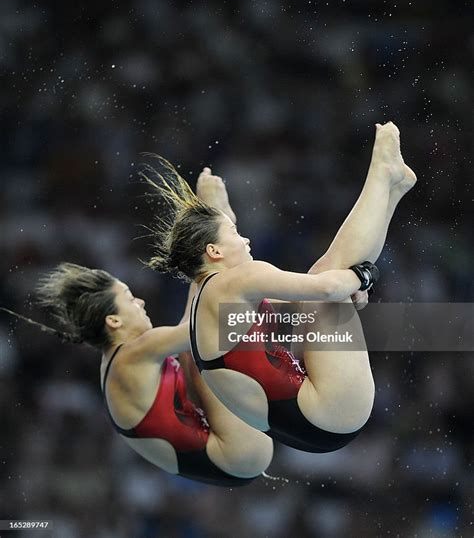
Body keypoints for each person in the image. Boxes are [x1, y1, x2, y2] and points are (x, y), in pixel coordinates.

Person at [143, 122, 417, 453]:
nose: (245, 238)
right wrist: (363, 277)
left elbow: (319, 295)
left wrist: (349, 285)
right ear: (213, 252)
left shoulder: (208, 303)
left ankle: (391, 189)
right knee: (325, 275)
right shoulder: (236, 281)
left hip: (317, 430)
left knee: (322, 285)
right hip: (329, 409)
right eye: (233, 231)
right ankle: (383, 173)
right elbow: (328, 287)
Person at [2, 169, 273, 486]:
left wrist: (211, 244)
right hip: (238, 452)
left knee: (205, 339)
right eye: (130, 298)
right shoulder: (135, 352)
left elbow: (195, 313)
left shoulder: (120, 363)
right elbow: (210, 319)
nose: (142, 301)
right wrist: (221, 227)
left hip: (234, 460)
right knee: (220, 324)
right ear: (113, 321)